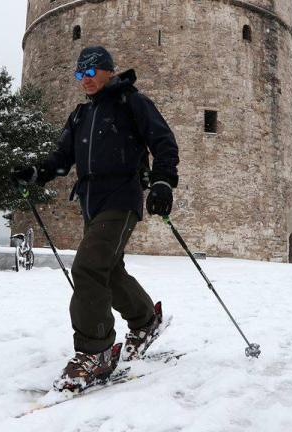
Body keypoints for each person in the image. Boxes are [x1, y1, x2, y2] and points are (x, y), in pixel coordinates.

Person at [11, 46, 180, 392]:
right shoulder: (79, 117)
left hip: (122, 196)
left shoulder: (131, 102)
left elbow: (163, 141)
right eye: (79, 74)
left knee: (88, 267)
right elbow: (62, 159)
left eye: (90, 72)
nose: (84, 80)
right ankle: (145, 321)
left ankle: (96, 350)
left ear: (108, 71)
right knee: (109, 270)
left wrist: (162, 181)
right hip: (91, 201)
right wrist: (35, 172)